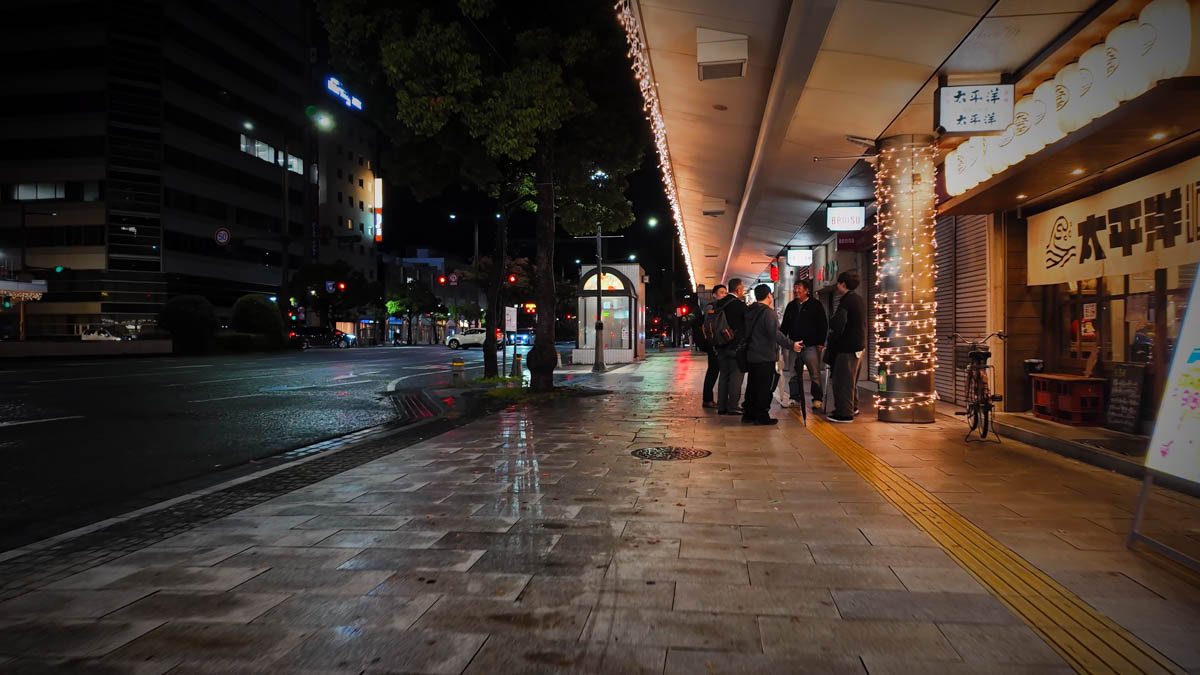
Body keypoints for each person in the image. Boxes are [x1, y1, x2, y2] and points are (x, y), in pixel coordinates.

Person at [742, 284, 802, 425]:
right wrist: (791, 344)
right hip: (764, 355)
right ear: (769, 295)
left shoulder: (750, 311)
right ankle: (761, 415)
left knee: (752, 385)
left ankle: (748, 414)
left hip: (751, 355)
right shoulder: (768, 313)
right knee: (764, 387)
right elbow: (774, 333)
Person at [780, 279, 828, 410]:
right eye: (795, 288)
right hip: (794, 345)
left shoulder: (815, 305)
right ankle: (795, 398)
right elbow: (785, 325)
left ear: (807, 290)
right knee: (793, 373)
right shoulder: (791, 306)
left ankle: (817, 399)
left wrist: (820, 342)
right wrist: (782, 340)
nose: (796, 290)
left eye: (799, 288)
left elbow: (823, 324)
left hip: (811, 345)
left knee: (815, 373)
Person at [827, 270, 867, 423]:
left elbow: (838, 324)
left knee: (842, 381)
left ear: (843, 284)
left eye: (838, 283)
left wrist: (832, 334)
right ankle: (853, 407)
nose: (837, 286)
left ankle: (844, 414)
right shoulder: (859, 299)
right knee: (851, 381)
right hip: (858, 346)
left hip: (847, 348)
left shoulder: (846, 301)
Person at [714, 278, 747, 415]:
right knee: (736, 376)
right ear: (738, 289)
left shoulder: (718, 304)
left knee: (723, 375)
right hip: (735, 346)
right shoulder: (739, 305)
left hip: (720, 345)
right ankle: (733, 406)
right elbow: (746, 325)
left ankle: (721, 406)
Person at [695, 284, 727, 409]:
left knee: (714, 371)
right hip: (713, 344)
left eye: (725, 292)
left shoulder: (718, 306)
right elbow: (710, 325)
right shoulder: (711, 307)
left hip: (715, 343)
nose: (723, 294)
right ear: (714, 294)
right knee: (713, 371)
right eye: (721, 292)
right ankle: (707, 399)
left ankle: (708, 399)